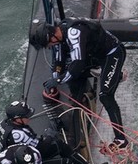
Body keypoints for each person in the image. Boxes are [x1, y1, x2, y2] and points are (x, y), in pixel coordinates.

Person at [29, 18, 128, 149]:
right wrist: (55, 80)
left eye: (49, 44)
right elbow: (59, 62)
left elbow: (77, 65)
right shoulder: (60, 34)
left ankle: (121, 139)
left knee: (105, 96)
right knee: (71, 76)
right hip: (96, 56)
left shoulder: (74, 33)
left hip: (112, 53)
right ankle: (100, 74)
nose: (50, 47)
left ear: (52, 37)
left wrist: (58, 80)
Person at [0, 99, 108, 164]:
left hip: (20, 156)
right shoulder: (19, 134)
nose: (29, 118)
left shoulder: (4, 124)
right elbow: (41, 147)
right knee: (63, 158)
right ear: (17, 119)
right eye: (26, 116)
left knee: (59, 144)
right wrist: (50, 136)